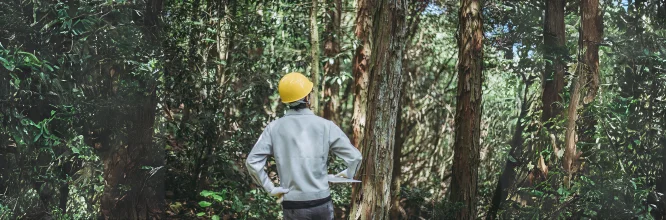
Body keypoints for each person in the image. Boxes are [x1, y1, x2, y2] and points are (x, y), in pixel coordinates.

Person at [246, 72, 363, 220]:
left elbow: (252, 162)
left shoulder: (274, 128)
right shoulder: (325, 126)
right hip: (322, 203)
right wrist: (348, 173)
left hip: (294, 206)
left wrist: (270, 189)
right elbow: (355, 157)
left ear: (285, 100)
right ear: (307, 97)